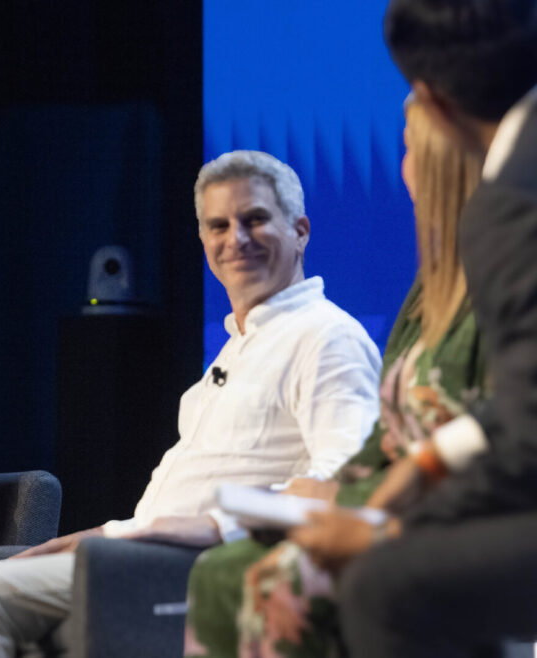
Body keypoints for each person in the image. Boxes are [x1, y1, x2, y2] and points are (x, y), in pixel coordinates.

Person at [0, 150, 382, 658]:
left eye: (255, 220)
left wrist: (213, 526)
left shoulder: (326, 337)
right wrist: (105, 534)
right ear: (203, 241)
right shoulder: (238, 346)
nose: (236, 239)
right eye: (218, 226)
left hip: (212, 563)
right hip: (143, 553)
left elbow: (348, 485)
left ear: (301, 231)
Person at [273, 2, 537, 656]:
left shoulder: (510, 212)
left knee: (386, 583)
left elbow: (527, 438)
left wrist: (384, 530)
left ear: (433, 101)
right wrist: (425, 464)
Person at [183, 96, 485, 658]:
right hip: (406, 502)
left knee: (277, 580)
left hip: (471, 516)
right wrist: (329, 491)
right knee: (225, 573)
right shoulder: (431, 287)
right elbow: (380, 443)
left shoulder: (506, 274)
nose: (405, 168)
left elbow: (499, 423)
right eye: (217, 226)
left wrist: (381, 503)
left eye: (413, 149)